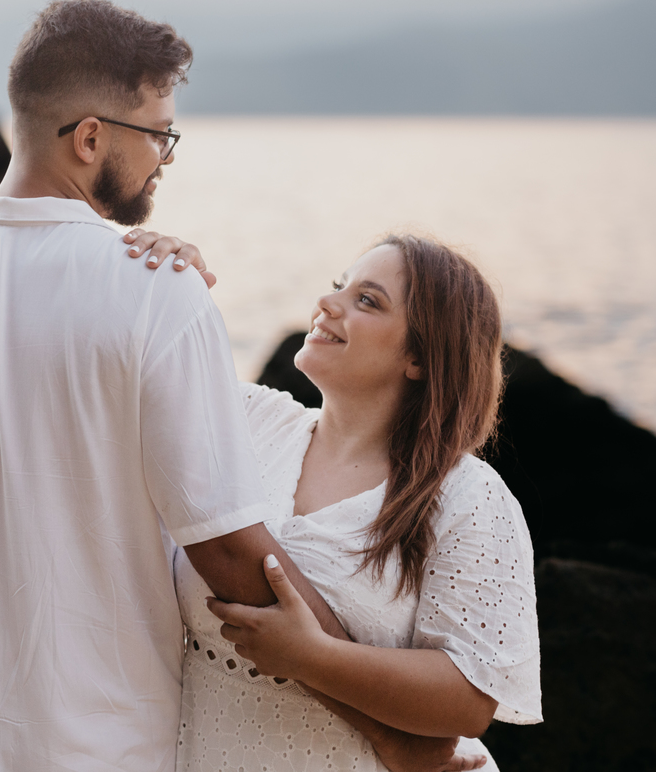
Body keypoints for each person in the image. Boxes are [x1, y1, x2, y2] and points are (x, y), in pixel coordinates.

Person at [0, 0, 358, 772]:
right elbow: (230, 550)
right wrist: (387, 717)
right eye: (160, 134)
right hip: (104, 752)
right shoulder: (159, 291)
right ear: (91, 136)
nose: (166, 157)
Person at [129, 233, 544, 771]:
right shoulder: (247, 421)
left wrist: (314, 657)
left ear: (419, 356)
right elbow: (125, 370)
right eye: (338, 287)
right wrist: (166, 278)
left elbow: (468, 700)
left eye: (366, 300)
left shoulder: (468, 498)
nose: (328, 303)